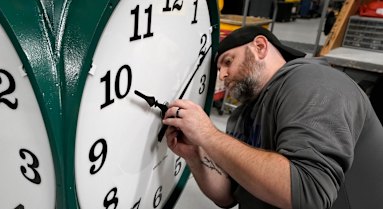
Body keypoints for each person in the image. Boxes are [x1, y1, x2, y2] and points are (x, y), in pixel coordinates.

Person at [163, 25, 383, 209]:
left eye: (228, 61)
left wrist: (208, 134)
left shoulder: (315, 82)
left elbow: (309, 192)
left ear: (259, 47)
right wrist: (195, 154)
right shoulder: (241, 116)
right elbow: (229, 195)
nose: (223, 75)